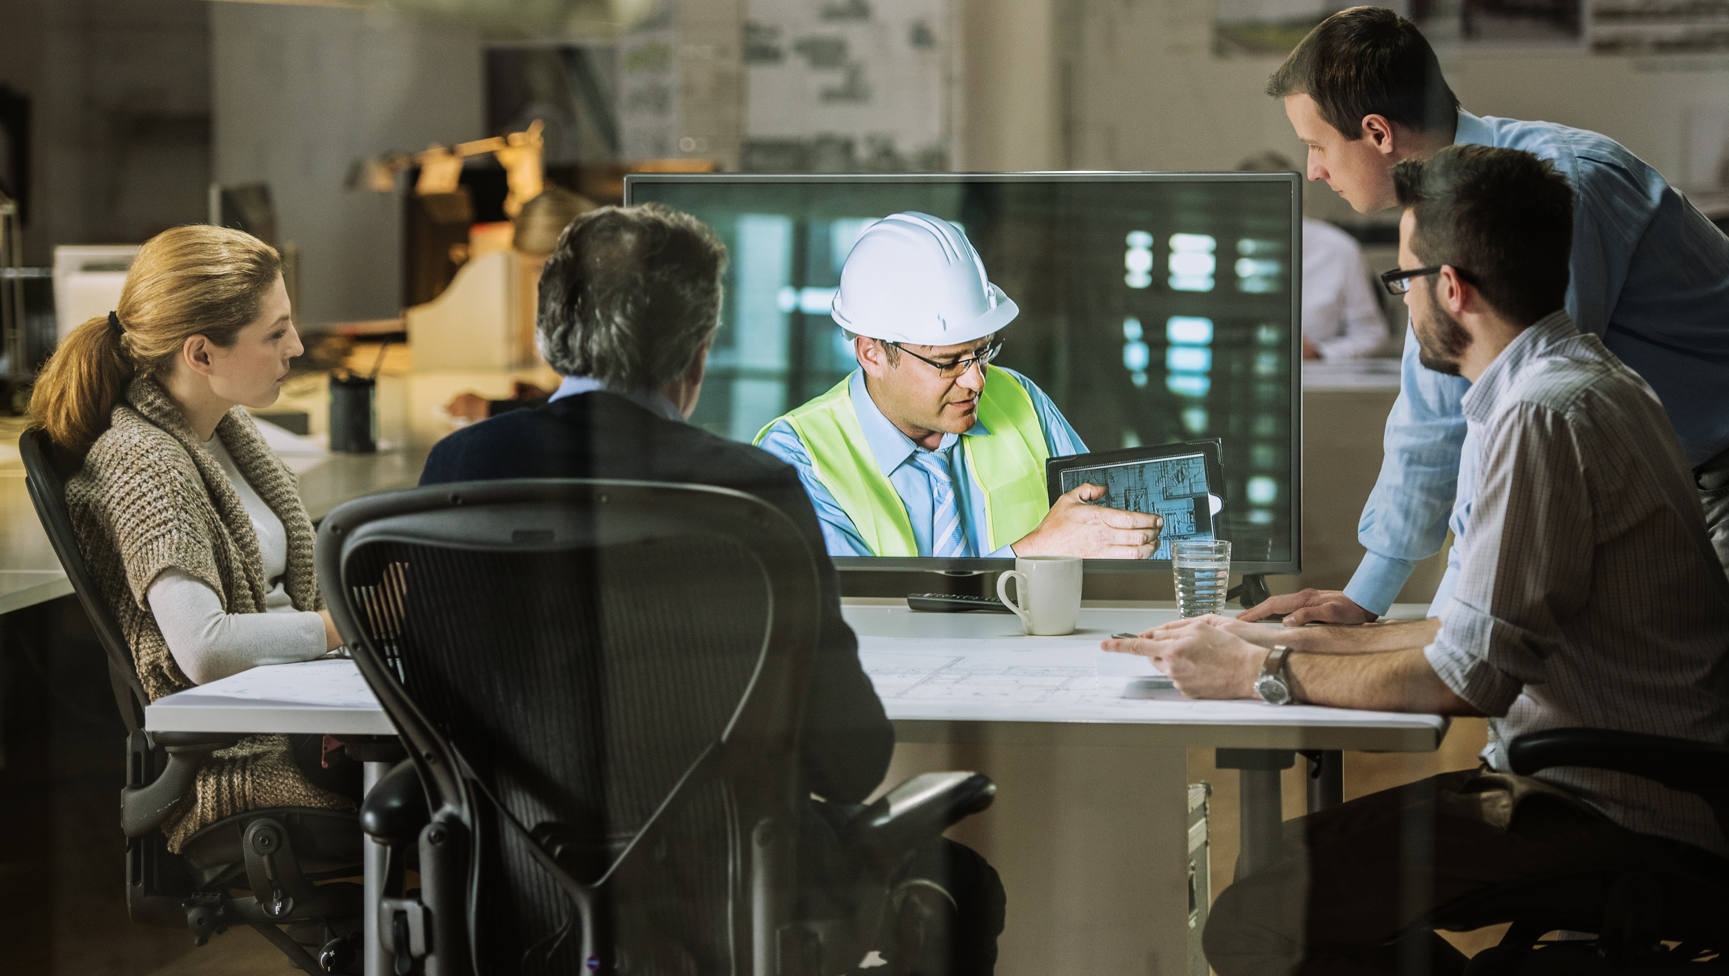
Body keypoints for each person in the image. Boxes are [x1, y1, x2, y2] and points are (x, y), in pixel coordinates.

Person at [1106, 145, 1729, 976]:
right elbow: (1464, 630)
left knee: (1261, 918)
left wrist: (1252, 677)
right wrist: (1258, 641)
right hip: (1600, 785)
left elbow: (1466, 676)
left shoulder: (1541, 416)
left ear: (1452, 286)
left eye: (1400, 280)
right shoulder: (1576, 381)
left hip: (1608, 807)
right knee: (1275, 877)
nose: (1400, 302)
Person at [419, 203, 1005, 973]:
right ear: (696, 355)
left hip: (516, 899)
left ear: (547, 336)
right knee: (966, 884)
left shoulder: (459, 474)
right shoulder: (752, 490)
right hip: (734, 898)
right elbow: (852, 760)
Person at [1248, 5, 1729, 627]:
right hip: (1671, 487)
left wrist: (1448, 631)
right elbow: (1431, 413)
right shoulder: (1442, 207)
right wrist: (1363, 600)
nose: (1313, 168)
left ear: (1377, 132)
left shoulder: (1552, 188)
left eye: (1316, 145)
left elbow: (1513, 428)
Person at [30, 226, 360, 853]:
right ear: (202, 355)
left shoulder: (226, 428)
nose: (296, 345)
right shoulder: (143, 462)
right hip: (250, 760)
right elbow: (204, 648)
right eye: (275, 332)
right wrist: (345, 626)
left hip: (306, 712)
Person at [754, 212, 1165, 559]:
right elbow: (859, 615)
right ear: (872, 354)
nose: (976, 380)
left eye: (982, 352)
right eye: (948, 362)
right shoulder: (798, 458)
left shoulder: (1021, 400)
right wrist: (1033, 554)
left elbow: (1110, 536)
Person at [1239, 151, 1388, 361]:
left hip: (1316, 384)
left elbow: (1372, 336)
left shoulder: (1339, 249)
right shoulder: (1223, 252)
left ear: (1301, 205)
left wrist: (1319, 352)